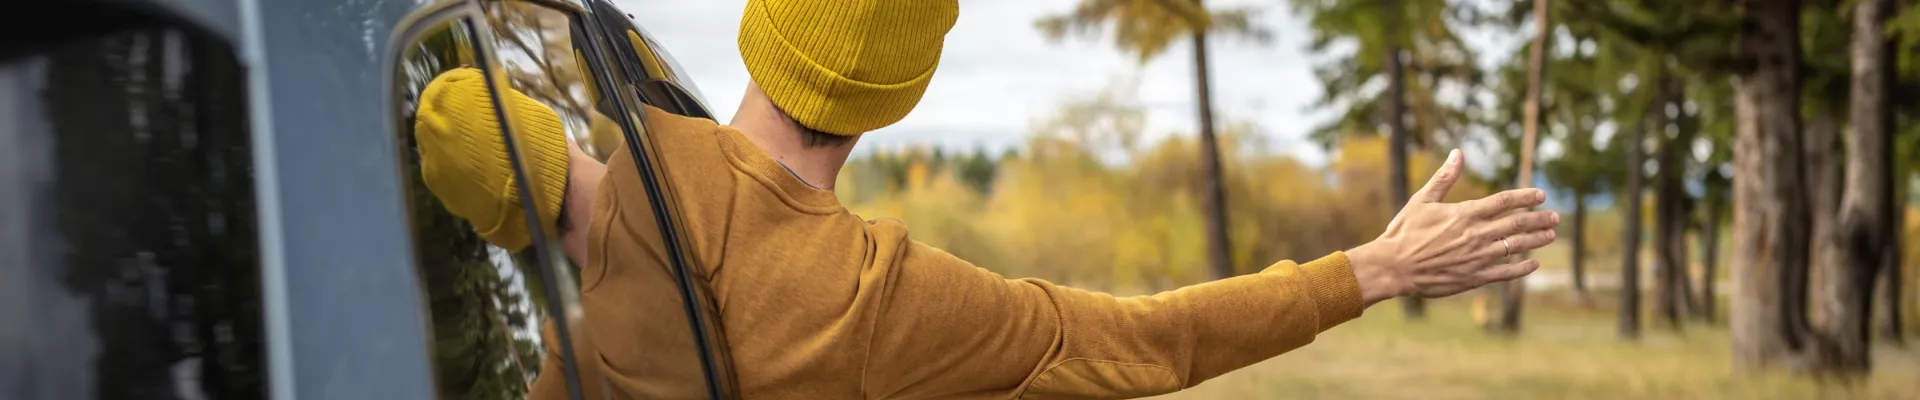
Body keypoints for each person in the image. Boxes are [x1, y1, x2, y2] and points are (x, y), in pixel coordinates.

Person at [409, 0, 1561, 398]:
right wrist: (1376, 267)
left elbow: (550, 184)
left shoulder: (608, 237)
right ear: (901, 90)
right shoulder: (871, 297)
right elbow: (1147, 343)